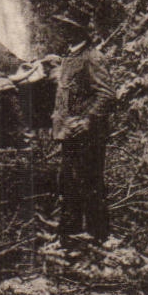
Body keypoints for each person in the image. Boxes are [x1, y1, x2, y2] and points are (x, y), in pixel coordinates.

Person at [51, 17, 118, 243]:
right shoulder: (70, 57)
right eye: (60, 28)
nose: (60, 32)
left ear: (76, 32)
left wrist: (88, 120)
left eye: (65, 28)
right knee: (68, 181)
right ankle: (70, 233)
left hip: (87, 134)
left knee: (90, 182)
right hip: (70, 133)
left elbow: (107, 94)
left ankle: (99, 234)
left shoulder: (92, 57)